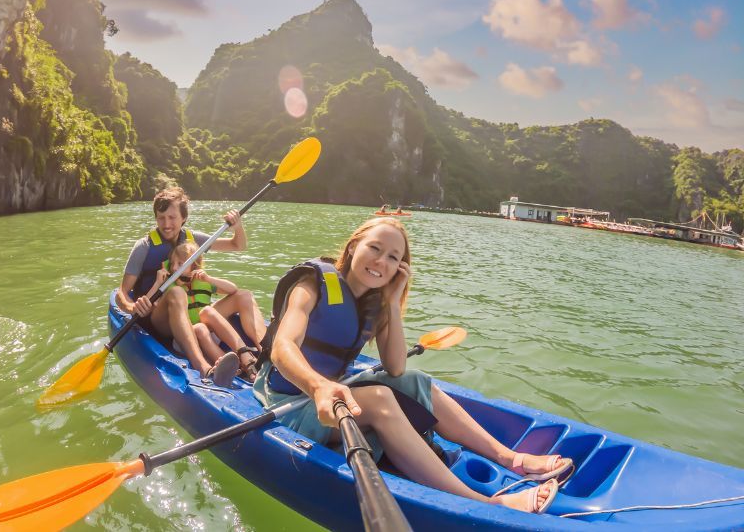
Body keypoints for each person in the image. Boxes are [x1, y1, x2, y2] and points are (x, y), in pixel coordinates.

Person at [253, 217, 570, 513]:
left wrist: (392, 301)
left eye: (393, 257)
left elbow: (395, 367)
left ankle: (510, 458)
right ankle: (486, 503)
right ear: (353, 248)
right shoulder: (314, 284)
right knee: (380, 399)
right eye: (375, 248)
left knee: (415, 380)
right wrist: (318, 386)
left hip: (335, 394)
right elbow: (283, 347)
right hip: (291, 399)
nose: (381, 261)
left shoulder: (374, 304)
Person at [117, 187, 267, 380]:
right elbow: (122, 292)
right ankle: (203, 366)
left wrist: (237, 227)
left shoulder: (193, 239)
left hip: (194, 315)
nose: (166, 224)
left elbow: (238, 245)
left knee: (243, 295)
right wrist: (132, 307)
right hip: (159, 318)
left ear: (183, 218)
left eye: (172, 217)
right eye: (161, 218)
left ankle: (267, 351)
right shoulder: (144, 247)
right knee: (177, 293)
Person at [147, 241, 260, 384]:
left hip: (206, 332)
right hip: (184, 340)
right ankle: (232, 369)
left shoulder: (202, 281)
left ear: (194, 266)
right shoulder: (169, 287)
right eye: (173, 264)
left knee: (207, 312)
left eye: (181, 264)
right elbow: (149, 305)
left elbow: (233, 289)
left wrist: (209, 278)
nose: (175, 268)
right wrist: (158, 283)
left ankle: (241, 360)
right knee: (200, 328)